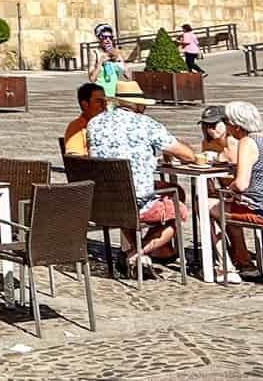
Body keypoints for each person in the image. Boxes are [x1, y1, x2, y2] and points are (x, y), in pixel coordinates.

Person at [84, 77, 199, 275]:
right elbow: (187, 155)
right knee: (178, 210)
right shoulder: (145, 124)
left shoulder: (94, 124)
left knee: (168, 190)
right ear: (138, 106)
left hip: (104, 200)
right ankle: (136, 252)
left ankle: (156, 250)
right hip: (135, 201)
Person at [209, 100, 263, 282]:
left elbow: (241, 184)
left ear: (237, 126)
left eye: (227, 122)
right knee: (227, 206)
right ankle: (241, 258)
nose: (226, 127)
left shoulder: (247, 142)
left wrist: (227, 189)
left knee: (205, 205)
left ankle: (225, 267)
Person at [63, 82, 108, 155]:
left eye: (105, 101)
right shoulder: (77, 127)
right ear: (85, 104)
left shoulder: (111, 125)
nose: (104, 105)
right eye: (99, 101)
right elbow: (76, 159)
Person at [88, 24, 128, 98]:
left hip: (115, 95)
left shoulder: (116, 54)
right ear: (99, 38)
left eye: (110, 37)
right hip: (100, 95)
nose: (108, 40)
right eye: (105, 37)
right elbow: (92, 79)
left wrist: (120, 58)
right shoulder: (94, 53)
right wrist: (100, 62)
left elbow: (128, 76)